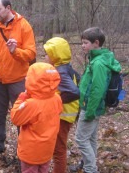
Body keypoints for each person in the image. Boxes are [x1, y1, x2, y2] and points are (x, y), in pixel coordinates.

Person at [0, 0, 36, 158]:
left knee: (21, 116)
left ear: (8, 8)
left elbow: (31, 54)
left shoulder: (24, 26)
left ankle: (24, 151)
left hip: (18, 80)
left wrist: (15, 51)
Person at [73, 27, 121, 173]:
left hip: (91, 107)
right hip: (93, 106)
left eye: (85, 43)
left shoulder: (99, 63)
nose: (83, 46)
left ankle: (90, 169)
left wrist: (90, 110)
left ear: (96, 43)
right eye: (82, 43)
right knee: (91, 139)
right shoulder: (97, 59)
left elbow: (97, 90)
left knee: (81, 140)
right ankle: (90, 167)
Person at [10, 62, 63, 173]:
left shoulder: (31, 104)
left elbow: (15, 118)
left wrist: (22, 97)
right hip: (47, 149)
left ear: (33, 81)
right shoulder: (56, 98)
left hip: (31, 152)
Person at [43, 37, 80, 173]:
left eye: (47, 53)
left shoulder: (61, 72)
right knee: (58, 148)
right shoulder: (64, 68)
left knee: (58, 150)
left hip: (63, 116)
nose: (45, 56)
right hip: (64, 115)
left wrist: (54, 101)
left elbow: (74, 92)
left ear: (55, 55)